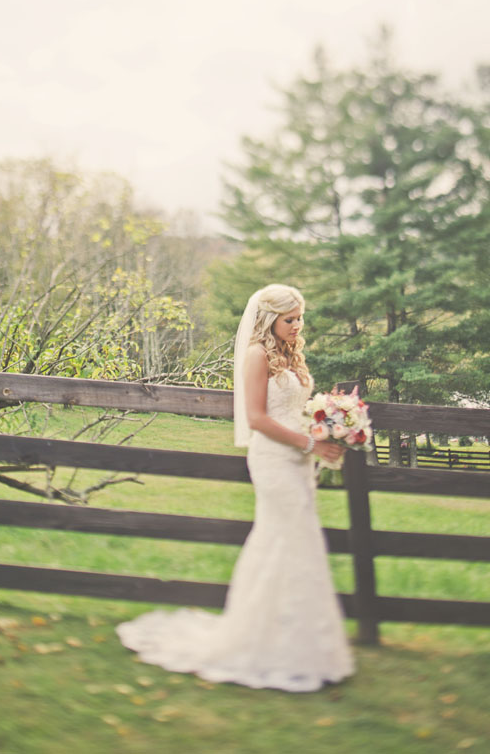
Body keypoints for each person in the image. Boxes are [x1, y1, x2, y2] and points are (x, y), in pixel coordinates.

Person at [116, 284, 354, 692]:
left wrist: (328, 420)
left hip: (298, 459)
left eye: (300, 318)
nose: (297, 325)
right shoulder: (256, 354)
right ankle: (262, 643)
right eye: (289, 319)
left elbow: (295, 406)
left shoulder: (290, 353)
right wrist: (312, 443)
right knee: (286, 539)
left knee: (294, 544)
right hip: (274, 460)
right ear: (269, 319)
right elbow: (257, 418)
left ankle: (298, 643)